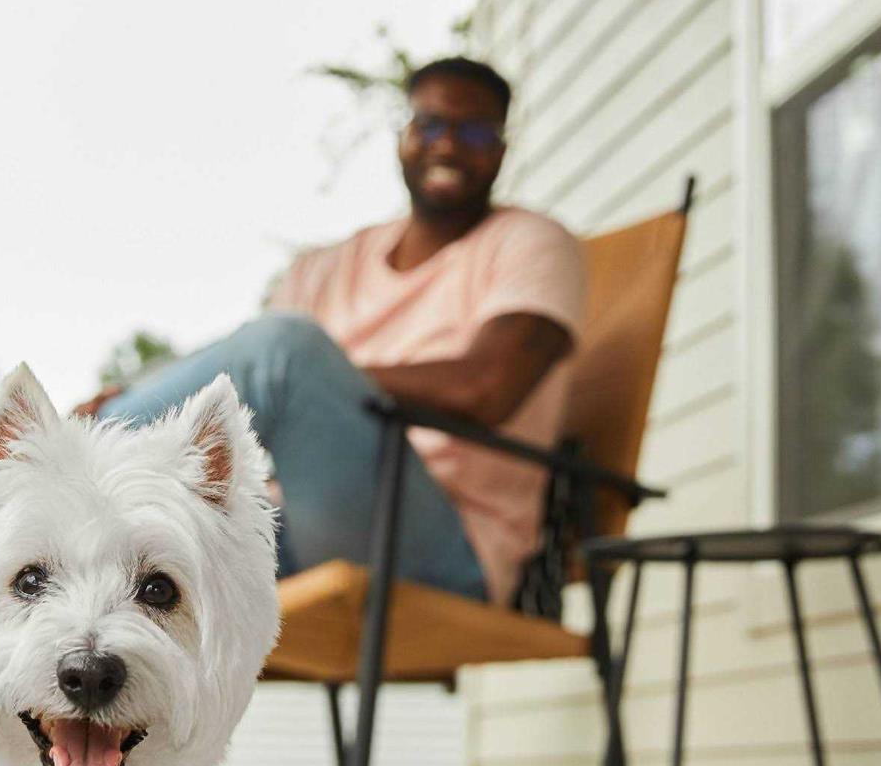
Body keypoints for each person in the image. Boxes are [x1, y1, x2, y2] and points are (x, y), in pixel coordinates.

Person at [90, 57, 585, 608]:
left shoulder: (531, 244)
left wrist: (330, 379)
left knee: (289, 352)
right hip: (295, 526)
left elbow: (488, 387)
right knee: (112, 551)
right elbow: (243, 373)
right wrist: (151, 390)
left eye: (472, 131)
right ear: (402, 137)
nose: (446, 146)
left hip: (445, 549)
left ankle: (78, 446)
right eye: (429, 125)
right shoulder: (327, 267)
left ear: (500, 150)